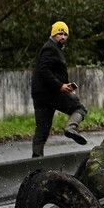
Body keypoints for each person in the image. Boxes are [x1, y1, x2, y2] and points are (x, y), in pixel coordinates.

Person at [31, 21, 88, 157]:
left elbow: (52, 71)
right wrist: (60, 86)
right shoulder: (50, 48)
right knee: (80, 109)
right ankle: (71, 128)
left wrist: (66, 86)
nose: (62, 37)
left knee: (42, 130)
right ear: (53, 34)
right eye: (59, 34)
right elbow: (44, 70)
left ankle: (36, 161)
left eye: (65, 34)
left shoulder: (53, 48)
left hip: (41, 95)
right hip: (51, 93)